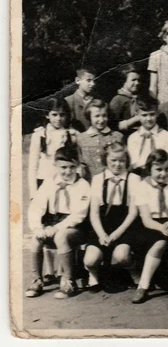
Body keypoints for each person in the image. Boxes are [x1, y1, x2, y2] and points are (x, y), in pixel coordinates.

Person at [26, 147, 90, 299]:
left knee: (61, 236)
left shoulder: (83, 185)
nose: (68, 172)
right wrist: (37, 228)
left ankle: (68, 281)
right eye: (63, 167)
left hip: (76, 227)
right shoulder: (49, 183)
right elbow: (36, 207)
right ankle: (37, 280)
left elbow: (78, 215)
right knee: (36, 239)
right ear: (55, 166)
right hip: (52, 223)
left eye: (72, 167)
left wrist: (56, 228)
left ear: (78, 166)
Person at [131, 150, 168, 304]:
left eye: (167, 169)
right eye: (158, 169)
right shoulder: (142, 187)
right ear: (149, 169)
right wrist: (162, 228)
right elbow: (146, 220)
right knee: (160, 243)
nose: (163, 174)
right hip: (152, 225)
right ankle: (143, 285)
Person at [83, 142, 142, 292]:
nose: (117, 164)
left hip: (124, 226)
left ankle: (134, 272)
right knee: (90, 259)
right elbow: (94, 214)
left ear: (127, 161)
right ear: (106, 160)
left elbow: (133, 213)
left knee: (121, 255)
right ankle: (93, 275)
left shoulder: (134, 179)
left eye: (121, 160)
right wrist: (102, 234)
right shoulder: (98, 179)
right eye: (113, 160)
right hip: (102, 225)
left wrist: (116, 234)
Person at [28, 97, 77, 196]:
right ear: (47, 115)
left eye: (62, 115)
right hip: (44, 180)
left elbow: (76, 162)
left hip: (65, 181)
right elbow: (33, 167)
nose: (58, 118)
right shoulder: (39, 135)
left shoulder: (70, 135)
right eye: (54, 114)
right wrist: (33, 194)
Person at [127, 96, 168, 180]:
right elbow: (132, 165)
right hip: (139, 180)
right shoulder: (133, 138)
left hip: (161, 179)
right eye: (144, 115)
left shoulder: (166, 136)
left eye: (152, 114)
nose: (149, 119)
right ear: (137, 115)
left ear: (157, 113)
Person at [77, 99, 124, 180]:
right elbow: (81, 164)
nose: (101, 120)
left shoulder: (117, 137)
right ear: (89, 117)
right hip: (89, 182)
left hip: (111, 181)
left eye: (104, 115)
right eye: (97, 116)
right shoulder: (81, 138)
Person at [109, 65, 143, 138]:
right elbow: (112, 125)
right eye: (133, 80)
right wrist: (134, 120)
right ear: (124, 82)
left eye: (138, 80)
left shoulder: (140, 99)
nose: (137, 83)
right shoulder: (118, 99)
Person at [64, 67, 97, 132]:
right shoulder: (68, 101)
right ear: (78, 81)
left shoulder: (97, 101)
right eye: (88, 80)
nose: (93, 84)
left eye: (94, 80)